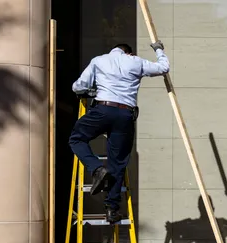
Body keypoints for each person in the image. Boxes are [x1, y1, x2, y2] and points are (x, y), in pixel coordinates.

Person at [69, 41, 170, 223]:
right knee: (118, 162)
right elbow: (163, 68)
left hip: (102, 110)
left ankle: (97, 169)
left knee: (76, 139)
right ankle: (111, 209)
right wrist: (158, 49)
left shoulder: (99, 60)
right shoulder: (136, 62)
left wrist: (92, 90)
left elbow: (79, 86)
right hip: (125, 114)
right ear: (129, 53)